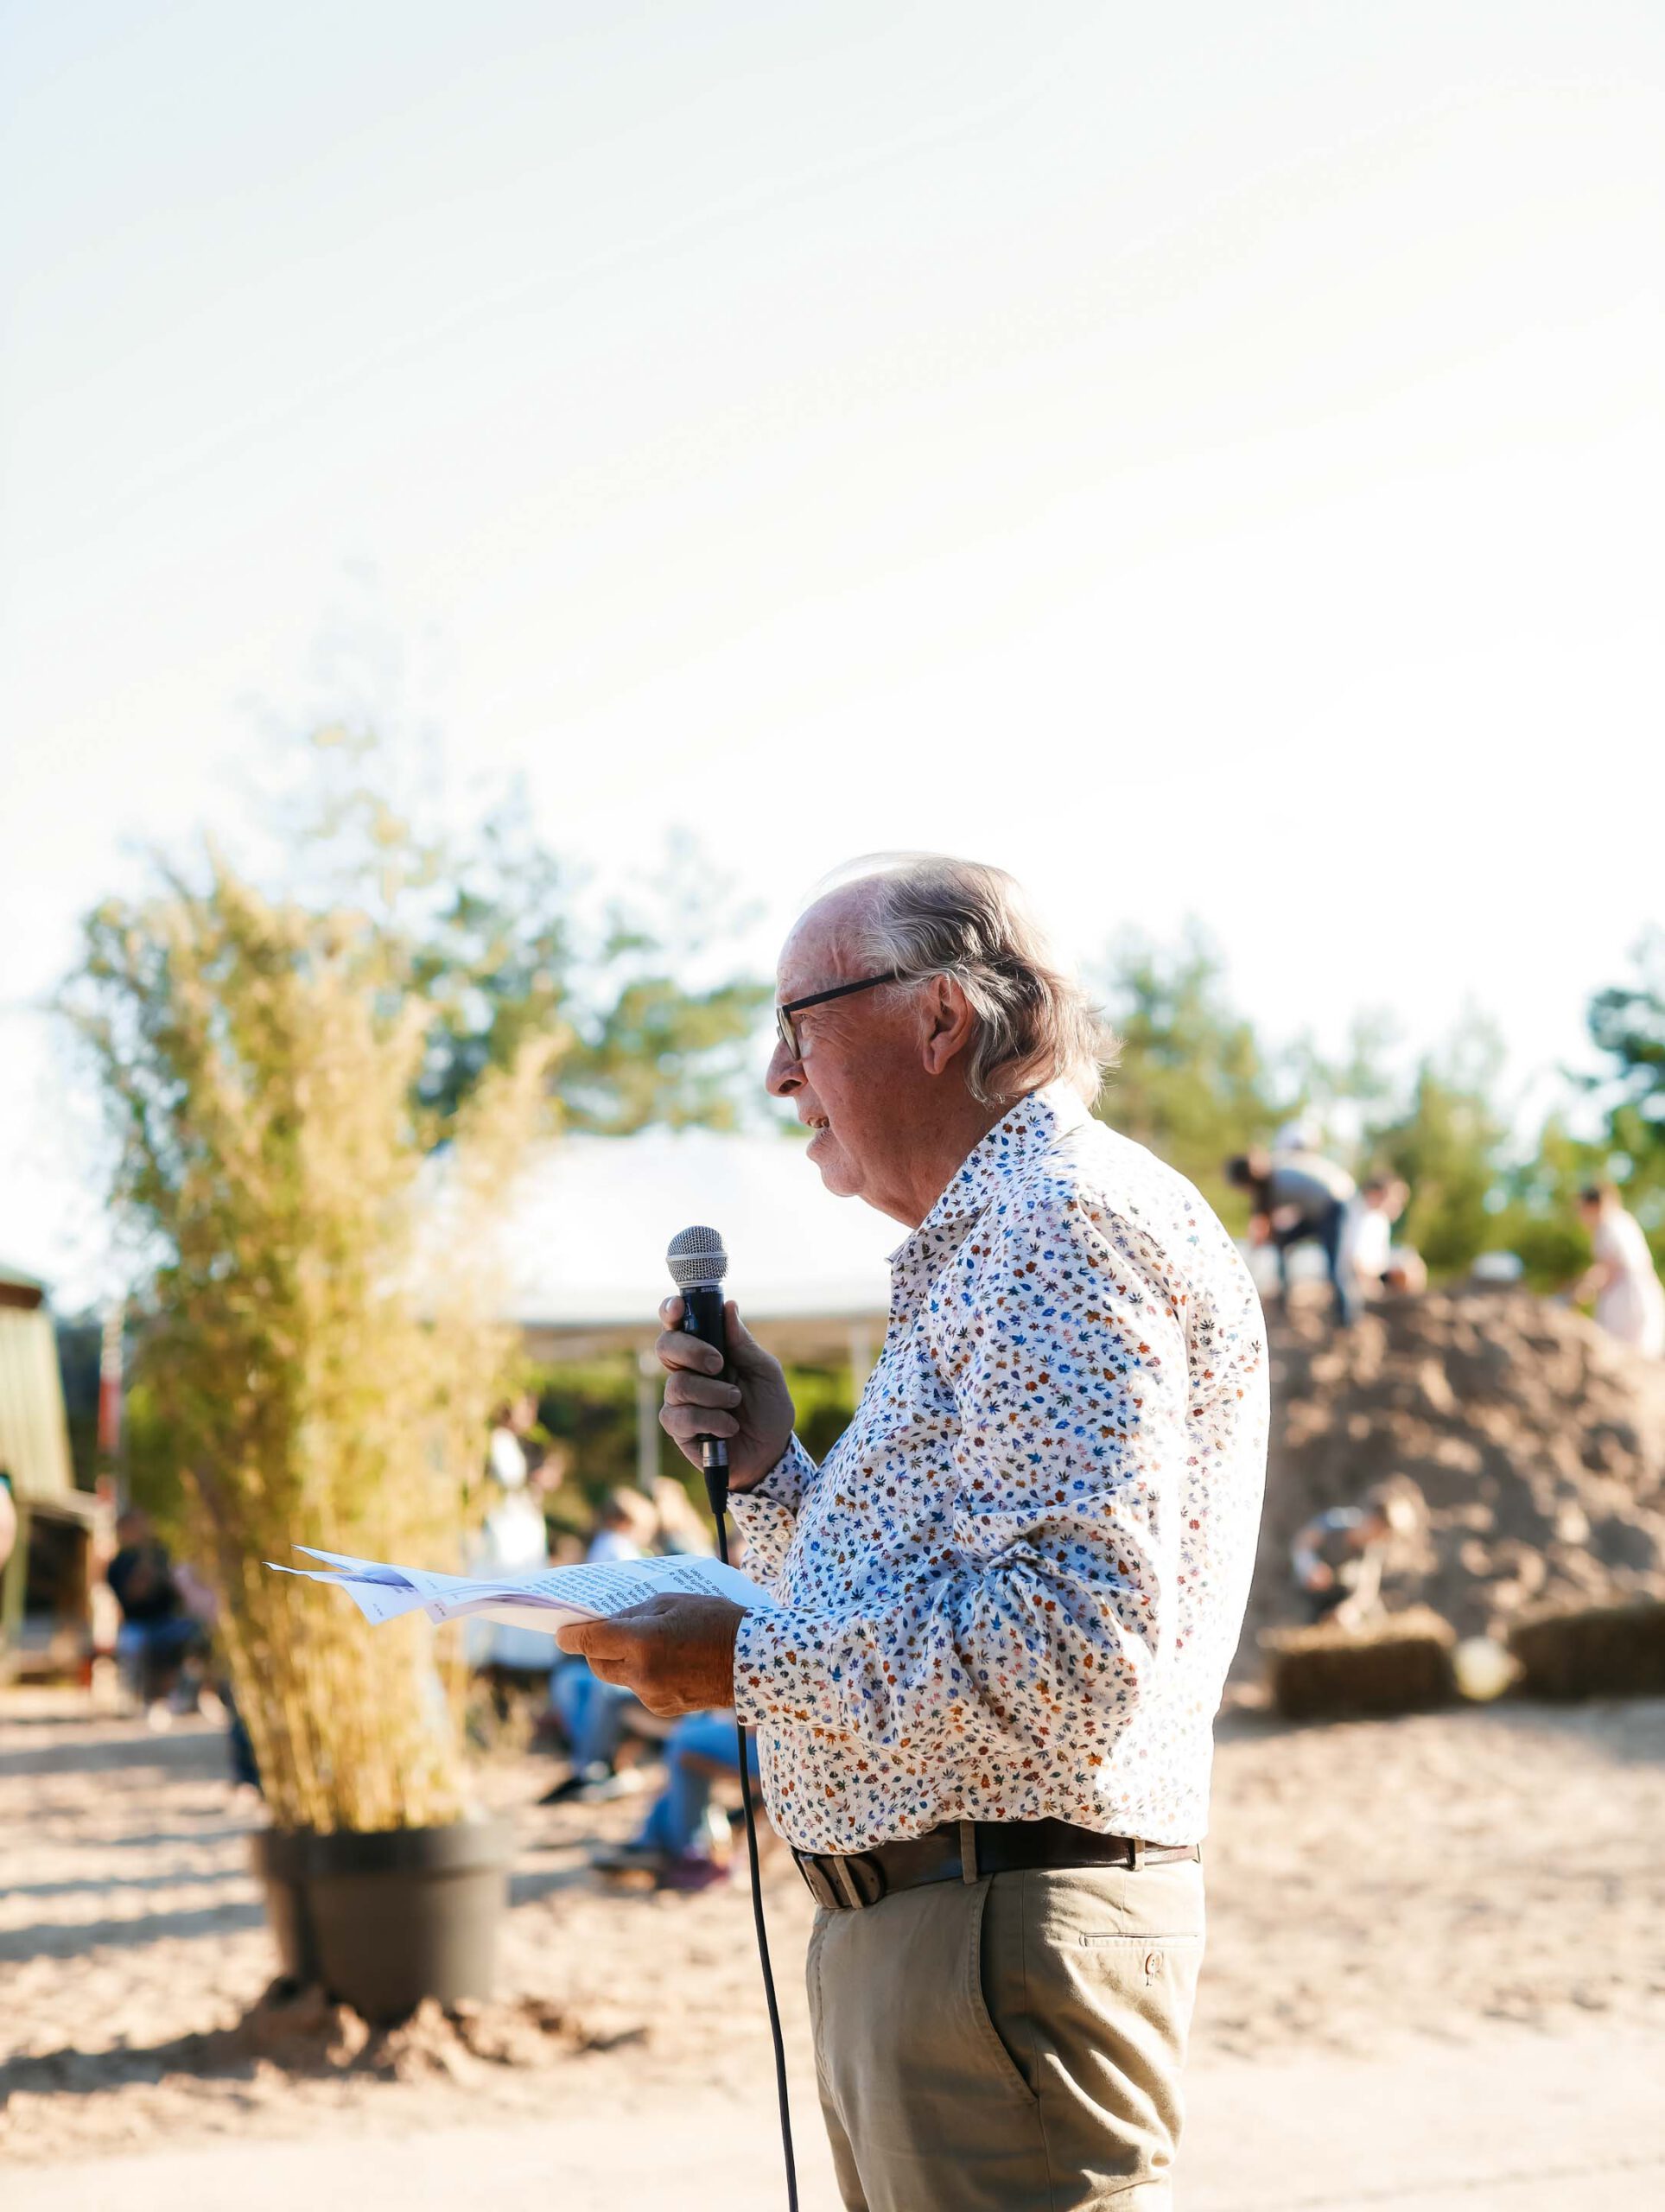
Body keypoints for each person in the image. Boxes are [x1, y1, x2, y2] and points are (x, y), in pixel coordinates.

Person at [557, 854, 1268, 2211]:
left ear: (939, 1019)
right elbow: (941, 1600)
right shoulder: (1000, 1231)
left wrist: (736, 1666)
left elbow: (1069, 1655)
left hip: (989, 1938)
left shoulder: (1054, 1225)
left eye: (796, 1021)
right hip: (951, 1936)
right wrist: (771, 1475)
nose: (777, 1074)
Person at [540, 1488, 658, 1803]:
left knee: (589, 1689)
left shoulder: (608, 1547)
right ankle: (596, 1764)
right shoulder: (617, 1548)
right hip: (619, 1647)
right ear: (626, 1522)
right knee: (583, 1687)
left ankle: (592, 1764)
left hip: (617, 1651)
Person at [592, 1707, 761, 1891]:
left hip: (771, 1746)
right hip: (764, 1734)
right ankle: (660, 1843)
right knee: (689, 1731)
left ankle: (680, 1849)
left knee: (684, 1742)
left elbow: (755, 1720)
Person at [1227, 1141, 1358, 1326]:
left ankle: (1347, 1319)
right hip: (1316, 1213)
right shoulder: (1274, 1176)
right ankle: (1283, 1300)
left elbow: (1263, 1226)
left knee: (1335, 1268)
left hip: (1333, 1210)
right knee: (1282, 1242)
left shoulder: (1272, 1182)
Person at [105, 1508, 204, 1710]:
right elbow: (133, 1595)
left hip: (166, 1621)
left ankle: (186, 1693)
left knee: (196, 1634)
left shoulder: (161, 1555)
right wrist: (143, 1569)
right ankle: (136, 1696)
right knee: (133, 1645)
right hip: (136, 1625)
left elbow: (177, 1592)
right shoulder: (117, 1565)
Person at [1290, 1489, 1415, 1628]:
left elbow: (1367, 1589)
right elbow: (1302, 1544)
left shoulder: (1373, 1549)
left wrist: (1349, 1609)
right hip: (1310, 1591)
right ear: (1374, 1521)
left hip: (1340, 1597)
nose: (1383, 1540)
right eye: (1383, 1533)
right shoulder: (1337, 1521)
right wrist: (1310, 1568)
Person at [1573, 1184, 1665, 1359]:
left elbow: (1609, 1267)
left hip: (1626, 1301)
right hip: (1643, 1295)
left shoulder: (1608, 1225)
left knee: (1625, 1354)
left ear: (1593, 1205)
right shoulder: (1623, 1221)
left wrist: (1583, 1290)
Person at [1344, 1176, 1427, 1299]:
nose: (1398, 1206)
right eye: (1396, 1199)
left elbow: (1379, 1259)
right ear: (1376, 1194)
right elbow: (1351, 1257)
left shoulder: (1380, 1219)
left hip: (1374, 1271)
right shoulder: (1353, 1213)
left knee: (1411, 1262)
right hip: (1353, 1273)